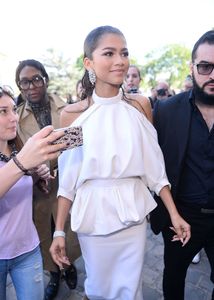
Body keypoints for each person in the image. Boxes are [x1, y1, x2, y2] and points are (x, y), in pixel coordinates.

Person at [49, 25, 190, 300]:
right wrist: (59, 232)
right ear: (88, 62)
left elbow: (155, 168)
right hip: (93, 214)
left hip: (132, 214)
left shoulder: (139, 106)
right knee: (99, 289)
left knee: (130, 289)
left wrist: (174, 214)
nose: (120, 61)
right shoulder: (71, 116)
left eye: (124, 53)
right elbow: (67, 181)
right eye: (109, 53)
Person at [150, 30, 214, 300]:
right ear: (192, 68)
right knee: (173, 278)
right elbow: (154, 165)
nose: (213, 75)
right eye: (205, 67)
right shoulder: (166, 111)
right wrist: (170, 214)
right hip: (180, 217)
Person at [15, 59, 81, 300]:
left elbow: (77, 144)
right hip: (39, 186)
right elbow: (19, 155)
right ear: (19, 86)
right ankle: (53, 273)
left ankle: (69, 265)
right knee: (45, 230)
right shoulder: (16, 118)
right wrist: (38, 172)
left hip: (66, 181)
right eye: (24, 82)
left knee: (68, 230)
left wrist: (61, 166)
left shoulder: (67, 109)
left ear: (45, 80)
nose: (31, 86)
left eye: (36, 79)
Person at [0, 86, 67, 300]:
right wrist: (21, 164)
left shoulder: (16, 149)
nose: (13, 118)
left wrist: (37, 177)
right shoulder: (20, 158)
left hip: (28, 249)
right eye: (3, 112)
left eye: (13, 110)